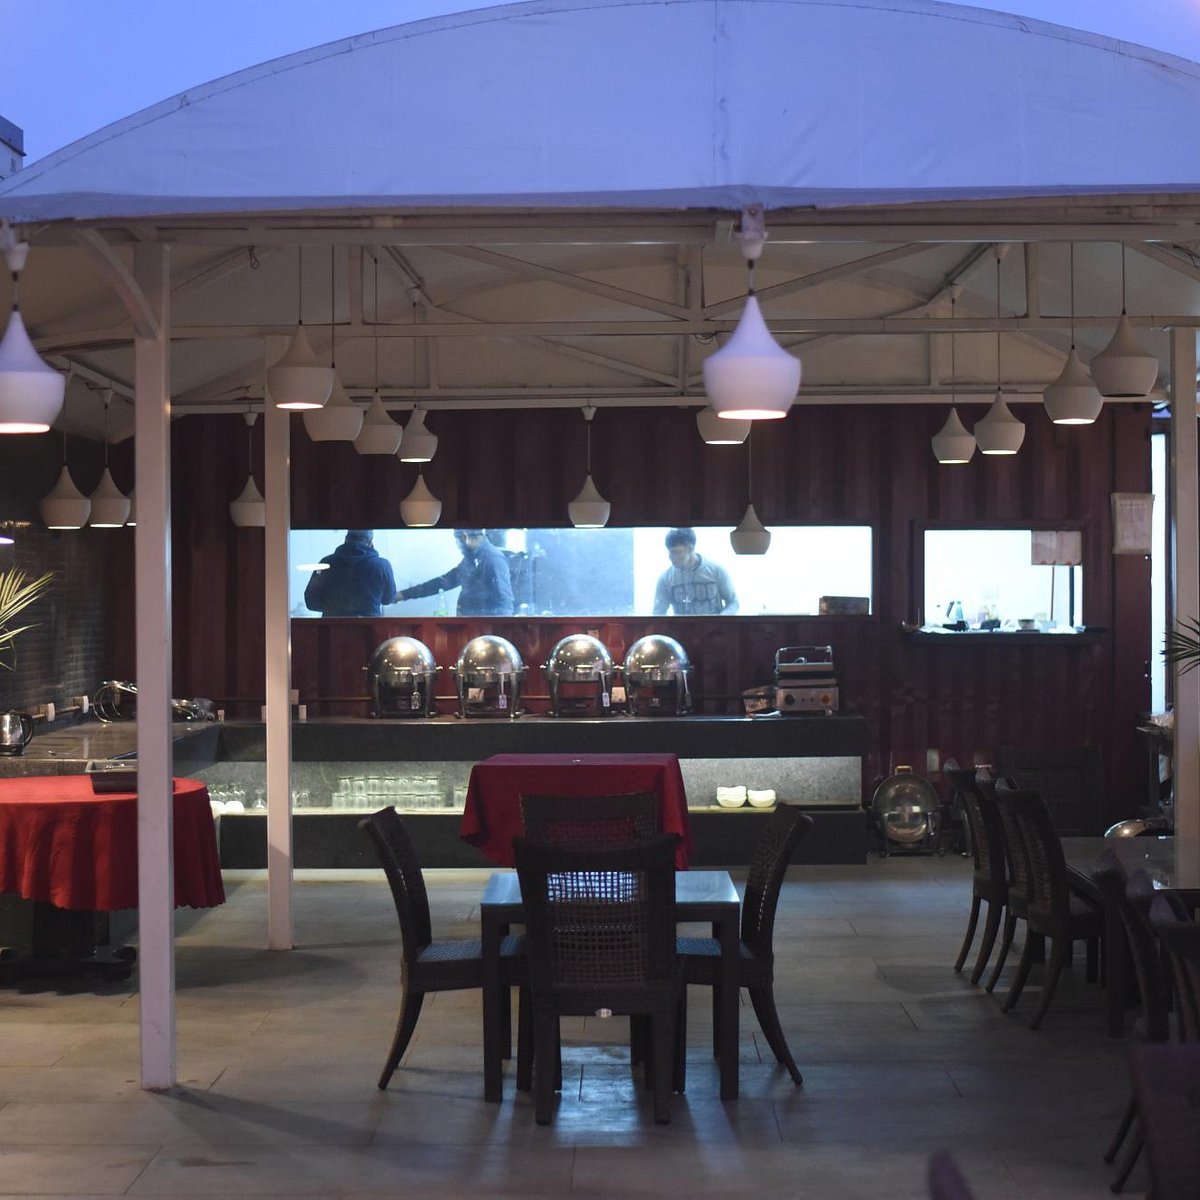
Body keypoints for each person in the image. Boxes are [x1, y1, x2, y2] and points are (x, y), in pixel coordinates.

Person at [396, 528, 514, 616]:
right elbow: (443, 582)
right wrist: (404, 595)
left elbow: (504, 602)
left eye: (456, 541)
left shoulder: (492, 558)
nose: (457, 546)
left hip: (484, 630)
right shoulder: (472, 559)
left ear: (464, 537)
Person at [303, 530, 398, 617]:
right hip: (369, 626)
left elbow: (311, 601)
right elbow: (388, 599)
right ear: (371, 543)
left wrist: (333, 608)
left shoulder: (325, 563)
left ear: (346, 539)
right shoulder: (383, 565)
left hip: (332, 626)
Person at [652, 527, 739, 615]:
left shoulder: (717, 571)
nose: (670, 557)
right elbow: (658, 612)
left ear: (691, 548)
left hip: (716, 624)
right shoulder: (665, 579)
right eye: (669, 552)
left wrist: (721, 618)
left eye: (675, 552)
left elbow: (733, 602)